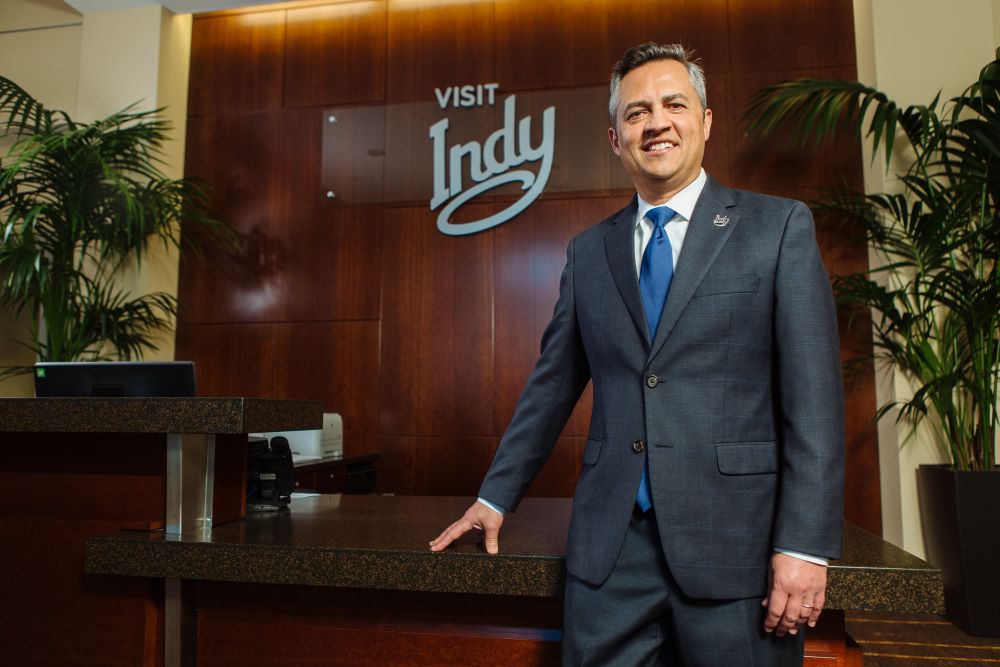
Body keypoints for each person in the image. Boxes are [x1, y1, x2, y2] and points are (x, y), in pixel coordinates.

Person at [430, 42, 845, 666]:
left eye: (674, 104)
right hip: (610, 556)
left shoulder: (778, 228)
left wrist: (806, 547)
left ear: (704, 121)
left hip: (738, 552)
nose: (656, 122)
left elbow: (814, 403)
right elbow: (551, 387)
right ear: (615, 137)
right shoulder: (588, 253)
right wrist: (495, 497)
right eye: (636, 112)